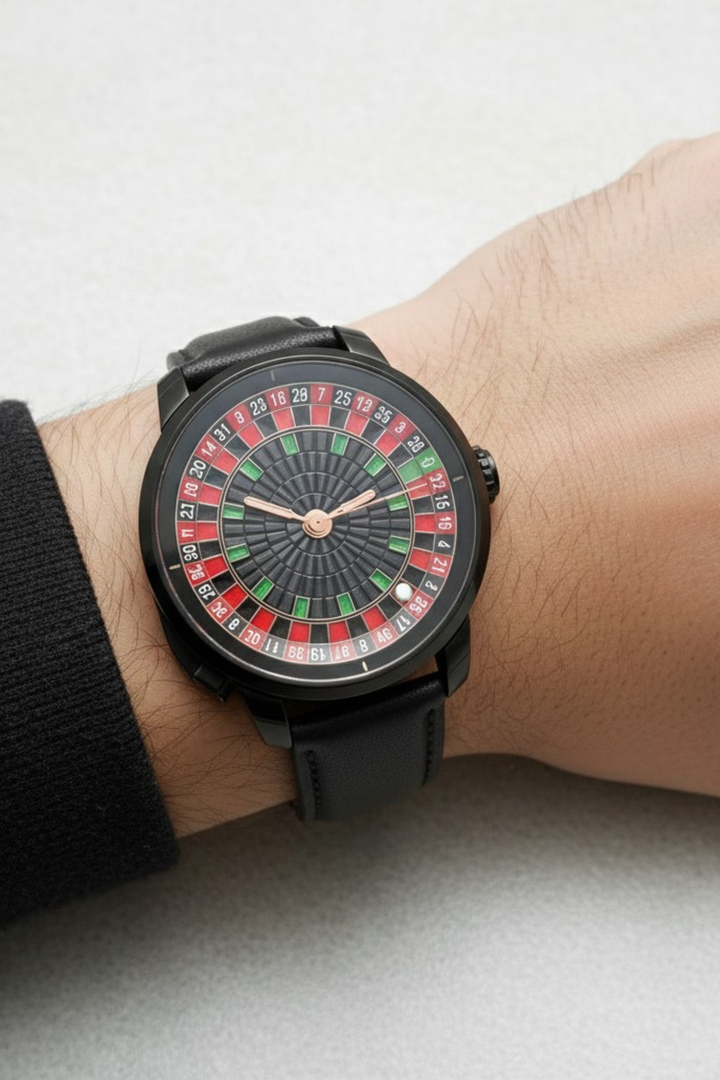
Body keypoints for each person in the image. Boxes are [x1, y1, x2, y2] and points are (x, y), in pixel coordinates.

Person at [1, 134, 718, 925]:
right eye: (305, 514)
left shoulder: (438, 640)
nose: (315, 518)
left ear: (479, 473)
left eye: (328, 511)